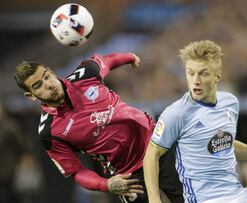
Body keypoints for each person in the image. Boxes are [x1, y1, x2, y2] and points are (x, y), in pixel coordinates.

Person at [14, 52, 183, 203]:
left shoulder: (85, 74)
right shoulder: (49, 132)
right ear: (31, 96)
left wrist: (130, 57)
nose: (48, 84)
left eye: (46, 76)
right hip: (128, 176)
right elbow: (76, 172)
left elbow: (108, 61)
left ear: (50, 71)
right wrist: (106, 184)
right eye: (38, 85)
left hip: (157, 147)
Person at [143, 40, 247, 203]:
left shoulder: (230, 103)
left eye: (203, 73)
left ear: (217, 74)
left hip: (238, 194)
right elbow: (151, 155)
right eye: (190, 73)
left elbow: (225, 145)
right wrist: (154, 198)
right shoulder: (176, 113)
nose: (195, 80)